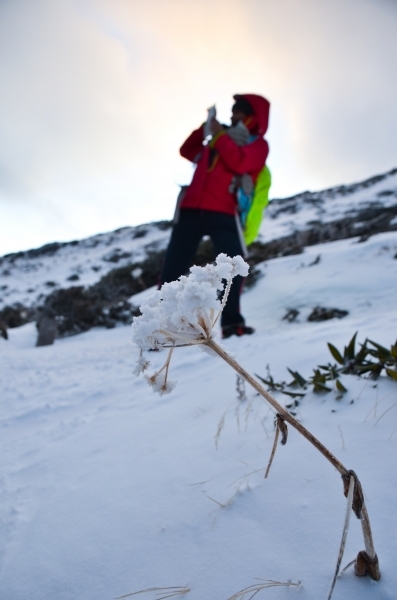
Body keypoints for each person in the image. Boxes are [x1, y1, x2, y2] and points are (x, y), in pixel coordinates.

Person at [160, 94, 270, 338]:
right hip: (191, 209)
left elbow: (241, 164)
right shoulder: (217, 140)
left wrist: (220, 136)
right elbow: (187, 150)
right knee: (173, 269)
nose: (233, 116)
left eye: (239, 112)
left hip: (224, 211)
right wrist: (205, 129)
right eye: (232, 111)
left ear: (253, 116)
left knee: (232, 267)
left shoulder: (257, 144)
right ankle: (161, 328)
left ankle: (232, 324)